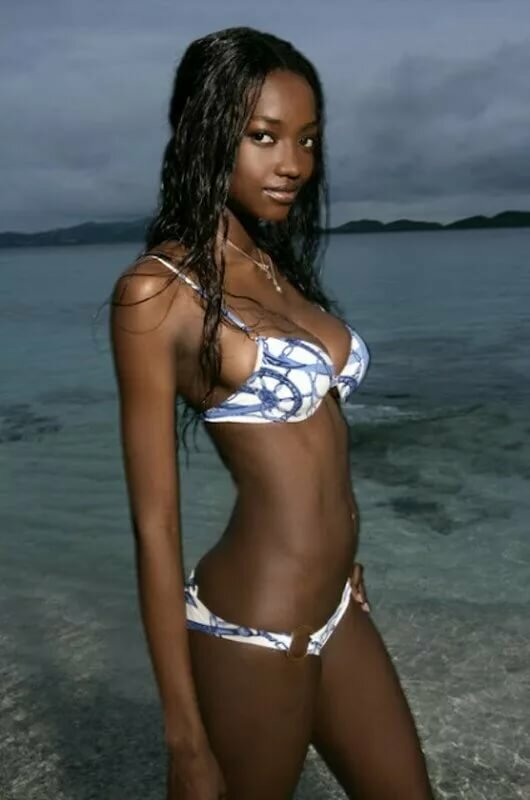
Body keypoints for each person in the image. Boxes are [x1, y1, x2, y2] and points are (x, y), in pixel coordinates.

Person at [110, 26, 434, 800]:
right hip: (251, 627)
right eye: (265, 136)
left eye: (307, 139)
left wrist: (341, 546)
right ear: (206, 132)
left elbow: (319, 448)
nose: (294, 164)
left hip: (337, 605)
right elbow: (155, 527)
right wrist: (186, 741)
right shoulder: (158, 294)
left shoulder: (277, 269)